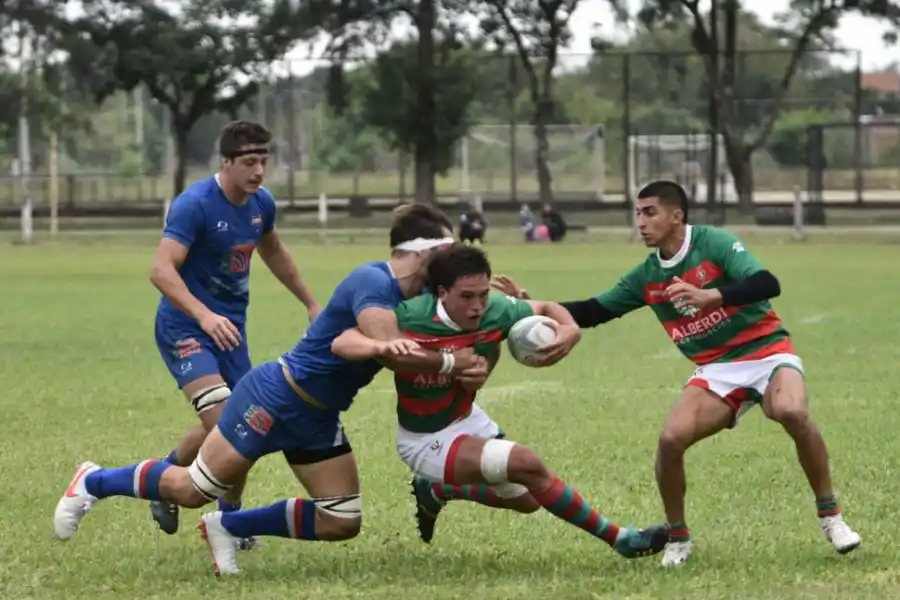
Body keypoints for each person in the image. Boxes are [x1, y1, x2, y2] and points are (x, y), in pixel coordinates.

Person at [53, 205, 489, 577]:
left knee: (342, 519)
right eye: (448, 252)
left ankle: (229, 526)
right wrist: (451, 363)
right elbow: (394, 352)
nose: (455, 262)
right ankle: (93, 480)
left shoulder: (426, 294)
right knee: (192, 490)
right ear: (425, 252)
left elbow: (467, 310)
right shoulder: (373, 283)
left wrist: (517, 312)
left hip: (318, 416)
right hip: (276, 397)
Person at [491, 180, 861, 567]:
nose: (641, 222)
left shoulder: (713, 244)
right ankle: (678, 538)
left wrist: (711, 296)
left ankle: (831, 517)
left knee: (791, 412)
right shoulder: (647, 276)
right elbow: (592, 311)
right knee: (670, 440)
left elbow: (767, 283)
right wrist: (529, 306)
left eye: (649, 212)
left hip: (766, 352)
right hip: (718, 369)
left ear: (676, 216)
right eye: (638, 213)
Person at [329, 245, 667, 558]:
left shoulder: (497, 310)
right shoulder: (409, 317)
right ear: (442, 293)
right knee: (528, 464)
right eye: (466, 297)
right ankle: (621, 539)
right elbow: (343, 341)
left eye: (483, 294)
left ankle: (437, 491)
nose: (477, 306)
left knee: (530, 500)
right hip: (425, 439)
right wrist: (384, 348)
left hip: (466, 418)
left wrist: (569, 329)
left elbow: (547, 308)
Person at [147, 120, 321, 544]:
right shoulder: (196, 204)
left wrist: (311, 302)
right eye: (248, 162)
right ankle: (216, 514)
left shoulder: (261, 204)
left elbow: (275, 253)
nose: (259, 170)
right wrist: (204, 315)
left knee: (245, 424)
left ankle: (183, 491)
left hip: (230, 333)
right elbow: (160, 270)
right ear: (226, 162)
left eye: (263, 160)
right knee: (230, 424)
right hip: (185, 326)